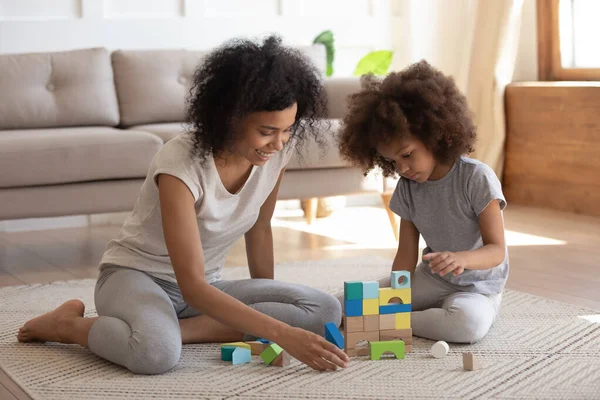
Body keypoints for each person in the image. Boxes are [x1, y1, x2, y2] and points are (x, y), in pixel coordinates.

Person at [17, 35, 349, 373]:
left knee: (323, 310)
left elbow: (260, 228)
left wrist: (271, 308)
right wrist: (280, 330)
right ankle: (67, 326)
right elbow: (192, 286)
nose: (277, 143)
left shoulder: (276, 154)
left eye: (287, 130)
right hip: (136, 278)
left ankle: (168, 331)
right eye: (266, 131)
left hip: (206, 289)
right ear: (230, 117)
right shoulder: (181, 163)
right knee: (155, 354)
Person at [338, 60, 508, 343]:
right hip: (431, 280)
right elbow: (406, 253)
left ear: (434, 134)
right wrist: (395, 296)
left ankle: (391, 322)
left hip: (477, 287)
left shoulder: (476, 178)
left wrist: (461, 259)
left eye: (407, 154)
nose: (402, 168)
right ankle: (392, 317)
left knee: (466, 325)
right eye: (393, 160)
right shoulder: (408, 188)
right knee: (343, 303)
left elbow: (497, 250)